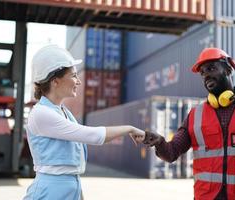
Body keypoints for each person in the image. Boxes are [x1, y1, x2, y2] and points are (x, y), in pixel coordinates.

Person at [141, 48, 235, 200]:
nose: (206, 75)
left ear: (228, 69)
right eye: (202, 72)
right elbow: (172, 152)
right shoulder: (195, 115)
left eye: (211, 68)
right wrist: (160, 142)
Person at [23, 45, 145, 200]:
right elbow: (92, 135)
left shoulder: (63, 111)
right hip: (50, 191)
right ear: (55, 81)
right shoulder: (41, 114)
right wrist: (129, 129)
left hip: (70, 187)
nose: (79, 81)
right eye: (74, 76)